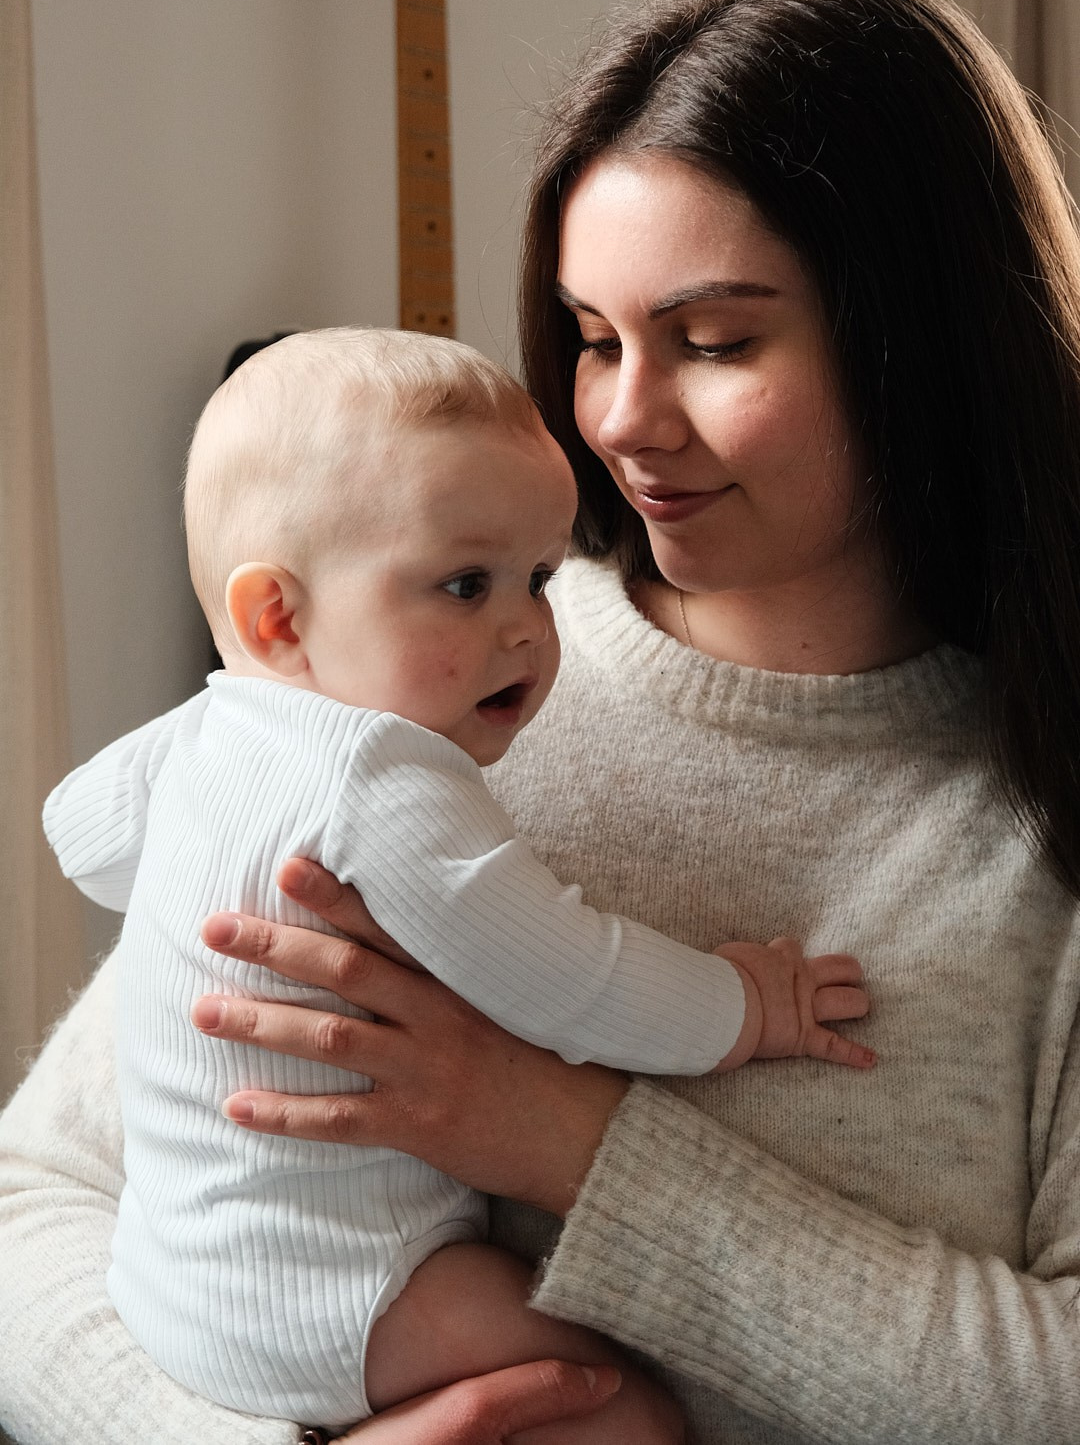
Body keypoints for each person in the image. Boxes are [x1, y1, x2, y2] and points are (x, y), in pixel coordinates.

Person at [3, 0, 1080, 1445]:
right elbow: (38, 1198)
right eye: (591, 339)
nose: (621, 424)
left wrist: (568, 1139)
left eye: (714, 342)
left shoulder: (1035, 815)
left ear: (921, 336)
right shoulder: (408, 696)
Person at [38, 325, 872, 1439]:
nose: (528, 627)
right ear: (275, 617)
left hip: (159, 1277)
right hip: (347, 1292)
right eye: (466, 585)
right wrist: (748, 1005)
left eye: (538, 574)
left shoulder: (197, 735)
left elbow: (78, 837)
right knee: (624, 1412)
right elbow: (570, 981)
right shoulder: (383, 778)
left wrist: (192, 848)